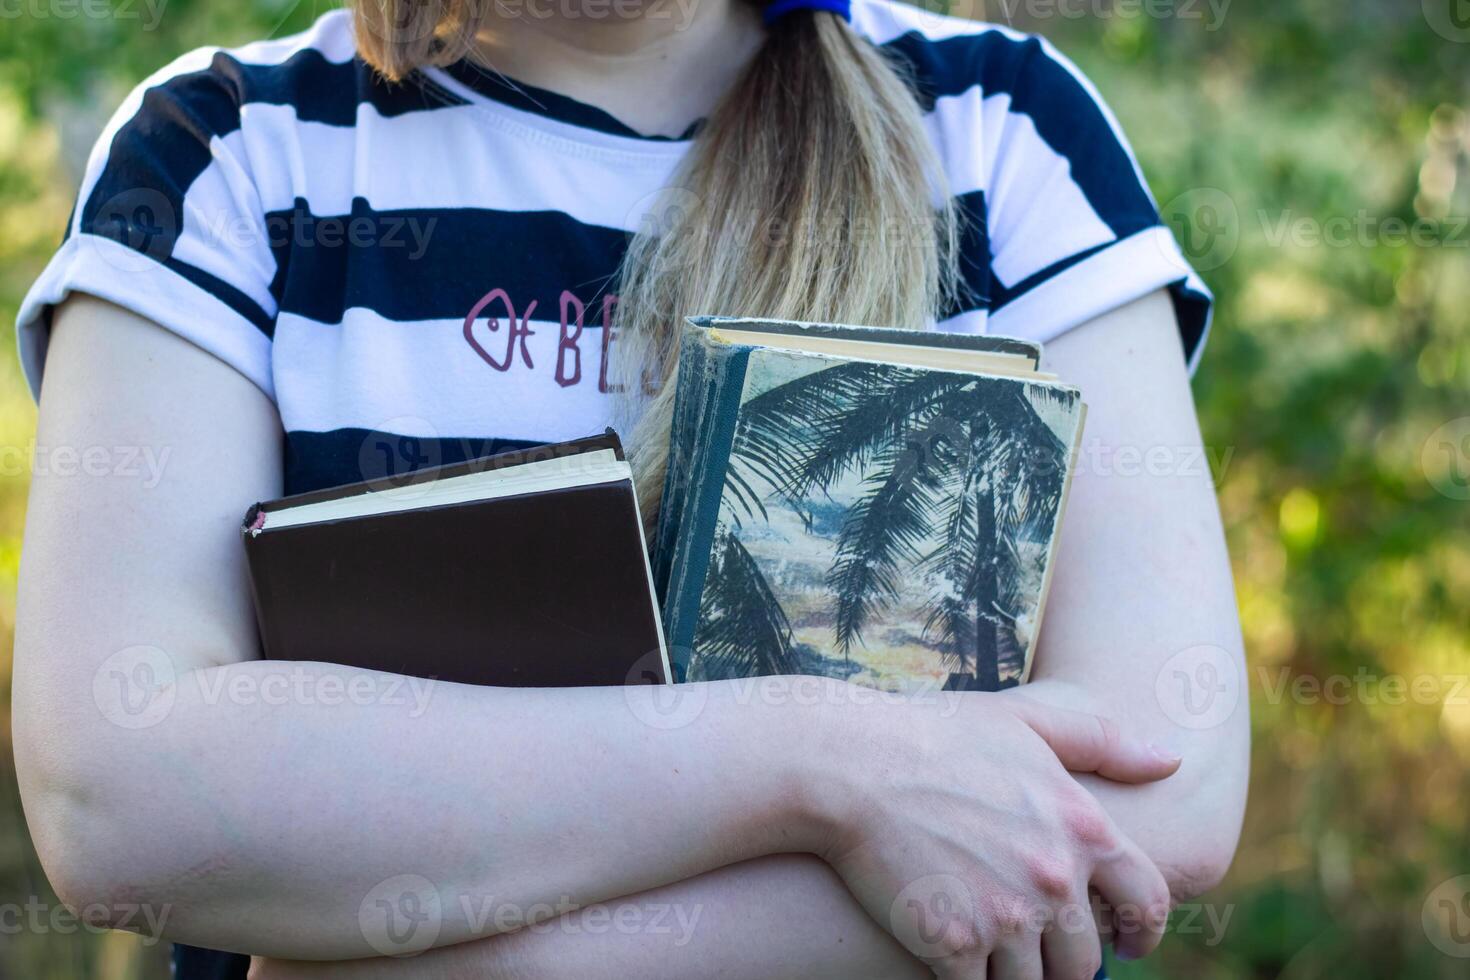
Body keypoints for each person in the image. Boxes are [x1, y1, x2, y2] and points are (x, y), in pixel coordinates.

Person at [11, 0, 1248, 977]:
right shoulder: (225, 151)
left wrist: (438, 965)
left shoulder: (1000, 128)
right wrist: (829, 763)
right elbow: (120, 790)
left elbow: (1160, 785)